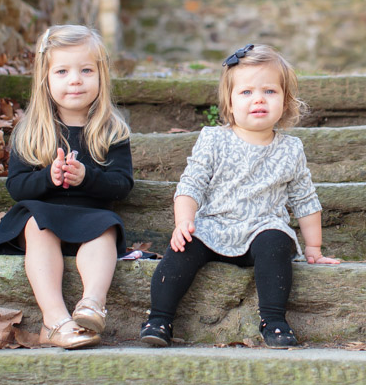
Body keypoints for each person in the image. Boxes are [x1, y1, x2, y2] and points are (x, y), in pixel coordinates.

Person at [139, 43, 339, 349]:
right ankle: (159, 318)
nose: (258, 98)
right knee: (180, 249)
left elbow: (304, 198)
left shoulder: (290, 149)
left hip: (262, 227)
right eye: (246, 92)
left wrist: (313, 246)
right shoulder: (214, 140)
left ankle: (273, 321)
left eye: (269, 91)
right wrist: (184, 222)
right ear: (230, 103)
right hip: (212, 227)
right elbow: (191, 184)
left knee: (276, 244)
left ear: (285, 102)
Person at [0, 25, 133, 349]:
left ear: (101, 76)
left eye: (86, 70)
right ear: (46, 78)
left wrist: (88, 177)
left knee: (106, 230)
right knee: (36, 226)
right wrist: (48, 177)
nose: (75, 79)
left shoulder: (112, 131)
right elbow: (16, 187)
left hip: (91, 214)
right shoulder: (32, 130)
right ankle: (55, 319)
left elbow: (123, 184)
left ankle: (91, 305)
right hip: (43, 213)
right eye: (63, 71)